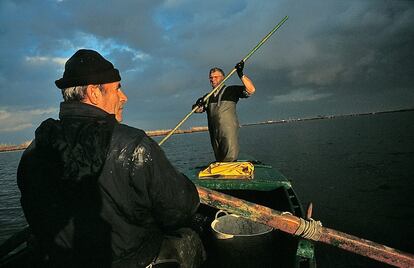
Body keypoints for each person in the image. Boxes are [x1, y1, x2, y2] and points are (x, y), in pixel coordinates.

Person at [17, 49, 204, 268]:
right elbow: (179, 209)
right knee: (190, 237)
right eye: (117, 88)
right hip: (133, 259)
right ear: (95, 93)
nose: (124, 97)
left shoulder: (35, 149)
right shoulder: (134, 144)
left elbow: (34, 213)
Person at [193, 61, 256, 162]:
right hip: (214, 132)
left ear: (223, 77)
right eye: (211, 77)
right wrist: (197, 104)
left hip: (228, 130)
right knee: (219, 158)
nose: (213, 79)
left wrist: (241, 74)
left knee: (230, 157)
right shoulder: (207, 97)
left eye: (215, 77)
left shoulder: (231, 90)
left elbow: (251, 90)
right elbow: (197, 110)